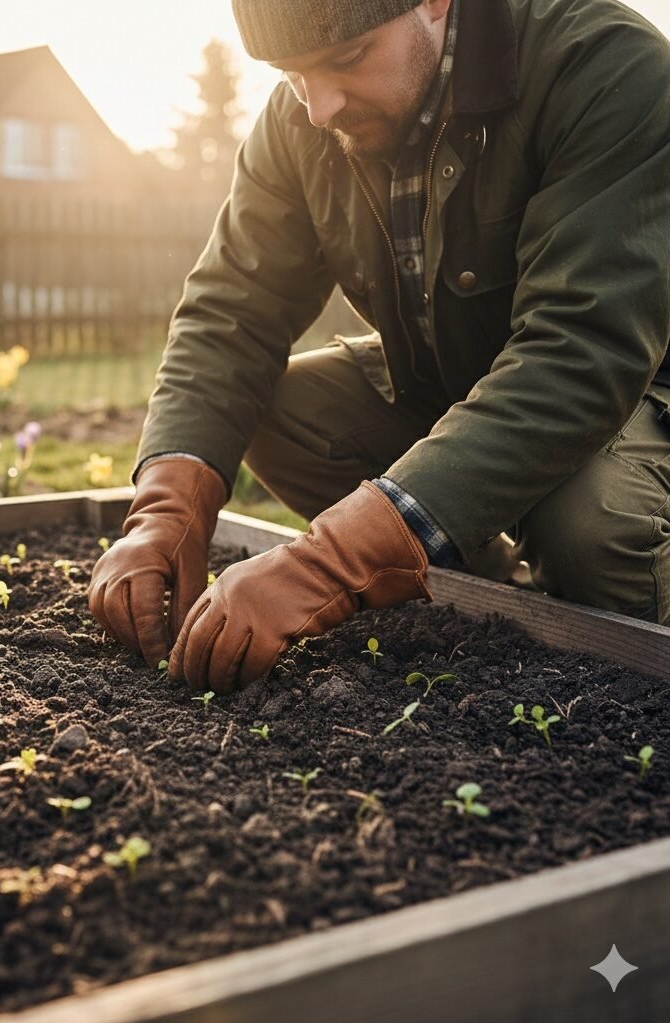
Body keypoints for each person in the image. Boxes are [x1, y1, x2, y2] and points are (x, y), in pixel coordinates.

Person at [88, 0, 670, 693]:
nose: (318, 107)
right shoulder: (299, 121)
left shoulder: (603, 65)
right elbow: (232, 313)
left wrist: (329, 564)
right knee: (269, 416)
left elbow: (581, 351)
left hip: (633, 389)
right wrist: (166, 506)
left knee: (593, 532)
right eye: (293, 73)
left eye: (347, 59)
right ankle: (485, 595)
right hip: (456, 381)